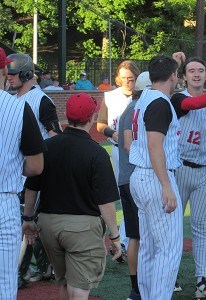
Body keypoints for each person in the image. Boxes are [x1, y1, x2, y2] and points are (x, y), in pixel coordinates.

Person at [22, 93, 122, 300]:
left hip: (49, 224)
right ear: (92, 118)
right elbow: (105, 202)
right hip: (82, 228)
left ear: (66, 117)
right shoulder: (96, 152)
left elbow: (32, 188)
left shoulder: (47, 146)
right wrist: (115, 237)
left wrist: (28, 219)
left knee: (66, 282)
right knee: (80, 288)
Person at [170, 57, 206, 298]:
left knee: (202, 227)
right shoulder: (178, 98)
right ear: (184, 76)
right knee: (173, 227)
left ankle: (202, 280)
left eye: (201, 71)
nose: (196, 74)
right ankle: (169, 274)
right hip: (180, 167)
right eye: (191, 70)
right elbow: (194, 105)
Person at [128, 53, 185, 300]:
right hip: (154, 176)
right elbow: (155, 146)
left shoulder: (143, 98)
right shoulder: (160, 102)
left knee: (150, 248)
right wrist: (166, 185)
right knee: (168, 250)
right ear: (173, 77)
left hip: (140, 176)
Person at [0, 51, 45, 299]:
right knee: (5, 284)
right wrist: (15, 167)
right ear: (5, 73)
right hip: (4, 200)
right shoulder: (19, 108)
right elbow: (36, 167)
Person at [118, 71, 151, 300]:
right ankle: (146, 285)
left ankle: (136, 288)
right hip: (138, 179)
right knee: (147, 237)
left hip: (126, 179)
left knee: (135, 237)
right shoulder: (141, 110)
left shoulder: (129, 109)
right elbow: (132, 146)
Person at [97, 61, 140, 180]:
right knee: (121, 190)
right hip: (117, 149)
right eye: (123, 78)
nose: (126, 82)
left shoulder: (143, 96)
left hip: (139, 149)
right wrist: (112, 133)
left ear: (136, 77)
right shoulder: (110, 96)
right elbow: (100, 125)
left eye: (130, 78)